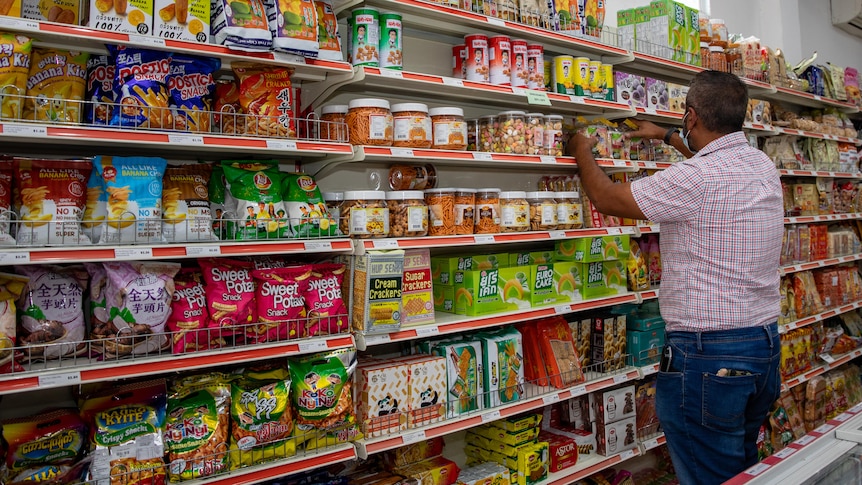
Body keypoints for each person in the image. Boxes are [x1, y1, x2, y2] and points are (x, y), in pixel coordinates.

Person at [568, 70, 783, 485]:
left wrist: (581, 150)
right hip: (762, 346)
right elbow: (712, 167)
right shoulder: (761, 164)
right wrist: (668, 136)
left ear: (691, 116)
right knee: (741, 465)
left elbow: (606, 197)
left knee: (710, 475)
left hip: (709, 357)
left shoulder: (696, 179)